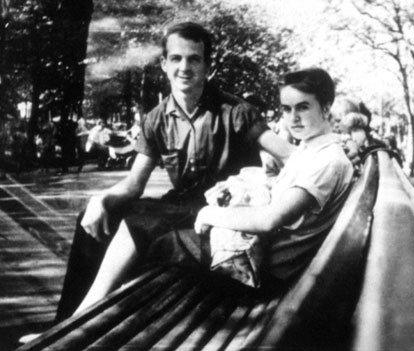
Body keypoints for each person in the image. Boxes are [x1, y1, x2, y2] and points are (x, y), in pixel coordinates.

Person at [53, 22, 293, 322]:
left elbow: (291, 156)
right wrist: (100, 199)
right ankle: (62, 326)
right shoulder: (155, 119)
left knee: (138, 224)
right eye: (176, 59)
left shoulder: (236, 112)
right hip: (181, 205)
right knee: (92, 219)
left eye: (194, 59)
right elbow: (133, 185)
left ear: (208, 67)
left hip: (221, 214)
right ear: (164, 64)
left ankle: (82, 319)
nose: (185, 67)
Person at [72, 67, 354, 314]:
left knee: (143, 233)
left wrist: (211, 213)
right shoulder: (314, 150)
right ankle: (83, 318)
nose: (292, 118)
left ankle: (82, 324)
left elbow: (269, 220)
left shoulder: (327, 160)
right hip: (258, 258)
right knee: (144, 226)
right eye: (286, 109)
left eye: (303, 107)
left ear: (326, 108)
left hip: (256, 273)